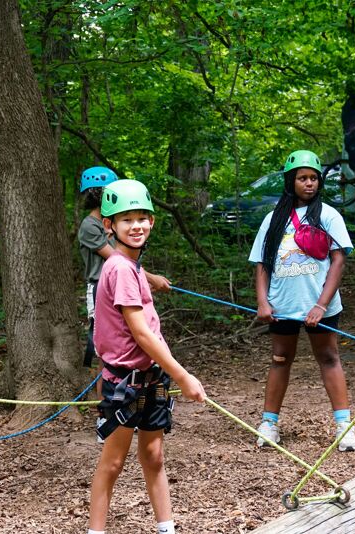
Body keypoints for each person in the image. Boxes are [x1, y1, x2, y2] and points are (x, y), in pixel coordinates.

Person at [88, 179, 207, 534]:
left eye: (142, 218)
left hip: (151, 378)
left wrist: (169, 371)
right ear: (109, 226)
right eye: (126, 219)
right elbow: (140, 332)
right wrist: (184, 376)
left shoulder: (133, 266)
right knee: (113, 462)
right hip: (125, 384)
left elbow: (150, 334)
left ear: (152, 221)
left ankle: (166, 528)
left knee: (154, 457)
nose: (136, 225)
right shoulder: (122, 269)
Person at [248, 150, 355, 452]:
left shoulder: (328, 215)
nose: (309, 184)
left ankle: (344, 426)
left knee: (329, 357)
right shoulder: (273, 219)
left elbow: (338, 261)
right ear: (290, 181)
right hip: (282, 304)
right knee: (280, 359)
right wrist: (262, 301)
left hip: (319, 305)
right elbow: (262, 263)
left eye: (313, 178)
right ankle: (269, 424)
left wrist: (321, 305)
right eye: (302, 178)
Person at [77, 167, 172, 443]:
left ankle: (129, 406)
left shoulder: (119, 234)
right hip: (101, 289)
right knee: (107, 352)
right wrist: (152, 278)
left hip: (123, 285)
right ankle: (105, 414)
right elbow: (112, 256)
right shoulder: (91, 226)